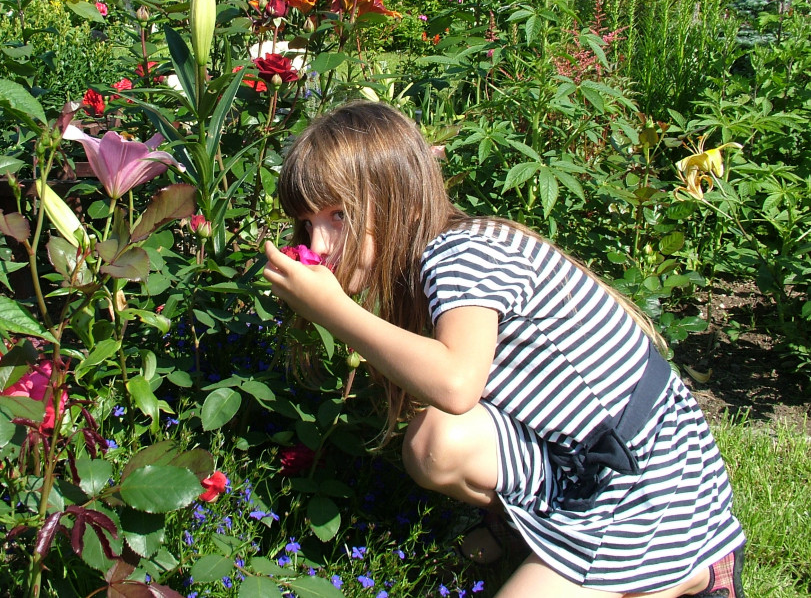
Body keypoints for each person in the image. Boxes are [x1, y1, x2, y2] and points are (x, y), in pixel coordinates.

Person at [262, 102, 745, 598]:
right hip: (579, 461)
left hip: (650, 486)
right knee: (434, 443)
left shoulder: (462, 256)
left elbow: (456, 384)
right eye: (308, 221)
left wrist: (334, 311)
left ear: (398, 200)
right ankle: (531, 532)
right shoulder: (435, 255)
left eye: (339, 214)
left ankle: (695, 569)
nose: (318, 245)